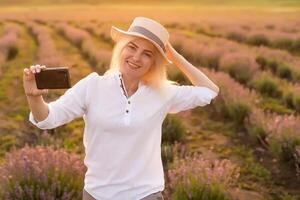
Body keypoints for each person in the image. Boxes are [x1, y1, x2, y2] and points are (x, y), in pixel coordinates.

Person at [23, 17, 219, 200]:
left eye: (147, 54)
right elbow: (47, 119)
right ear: (121, 48)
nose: (136, 57)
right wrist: (34, 97)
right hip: (98, 194)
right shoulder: (93, 86)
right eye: (132, 47)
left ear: (154, 63)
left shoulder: (162, 93)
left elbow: (210, 91)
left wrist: (174, 56)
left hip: (146, 194)